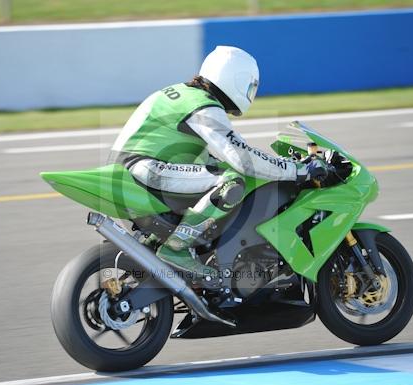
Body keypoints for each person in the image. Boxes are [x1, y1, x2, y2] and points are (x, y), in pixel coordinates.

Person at [111, 45, 328, 286]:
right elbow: (242, 159)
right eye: (250, 86)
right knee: (231, 183)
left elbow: (203, 158)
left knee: (217, 175)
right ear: (235, 79)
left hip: (135, 165)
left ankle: (156, 244)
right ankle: (175, 249)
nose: (250, 93)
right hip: (146, 167)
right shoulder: (203, 104)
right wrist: (298, 170)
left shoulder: (182, 94)